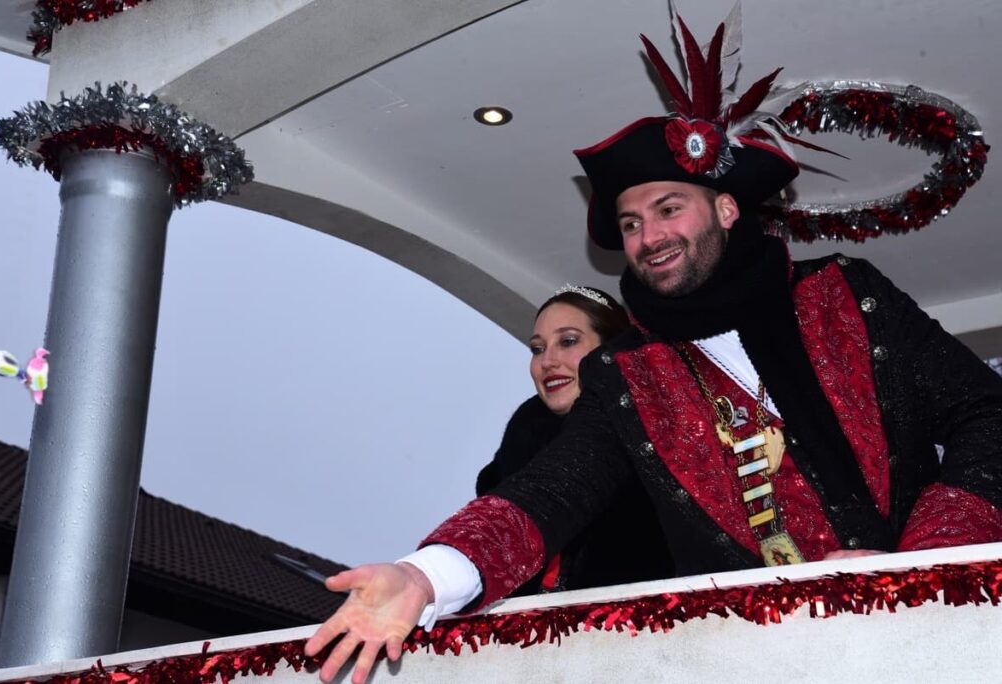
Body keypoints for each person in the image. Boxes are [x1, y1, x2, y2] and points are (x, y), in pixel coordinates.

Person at [305, 9, 1002, 683]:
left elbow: (987, 415)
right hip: (750, 658)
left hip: (930, 632)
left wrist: (922, 562)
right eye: (631, 223)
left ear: (725, 208)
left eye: (669, 209)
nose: (649, 236)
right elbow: (552, 491)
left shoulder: (846, 294)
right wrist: (425, 576)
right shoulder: (624, 373)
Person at [476, 285, 671, 595]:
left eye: (567, 341)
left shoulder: (663, 435)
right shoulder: (519, 442)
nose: (547, 361)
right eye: (537, 349)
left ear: (611, 349)